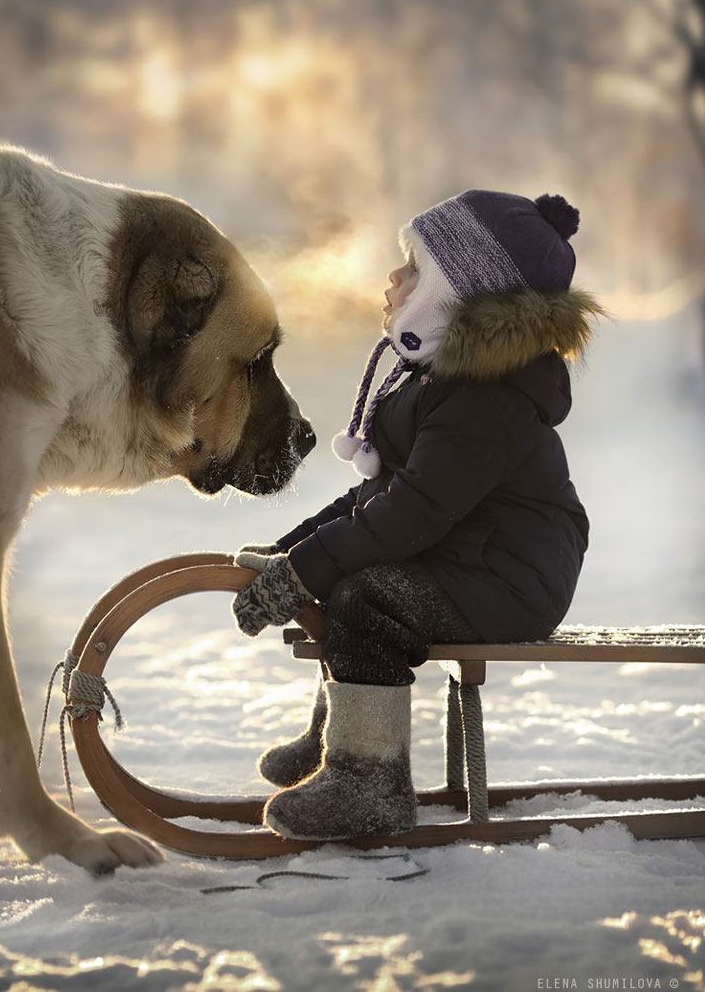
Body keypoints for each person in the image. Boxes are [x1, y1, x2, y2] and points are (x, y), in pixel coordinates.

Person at [232, 190, 604, 841]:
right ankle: (341, 741)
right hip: (471, 555)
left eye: (413, 269)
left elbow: (411, 515)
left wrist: (310, 568)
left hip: (514, 575)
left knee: (370, 596)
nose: (393, 278)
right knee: (353, 581)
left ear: (453, 293)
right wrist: (293, 552)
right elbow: (376, 500)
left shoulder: (487, 397)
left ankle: (368, 780)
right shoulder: (438, 378)